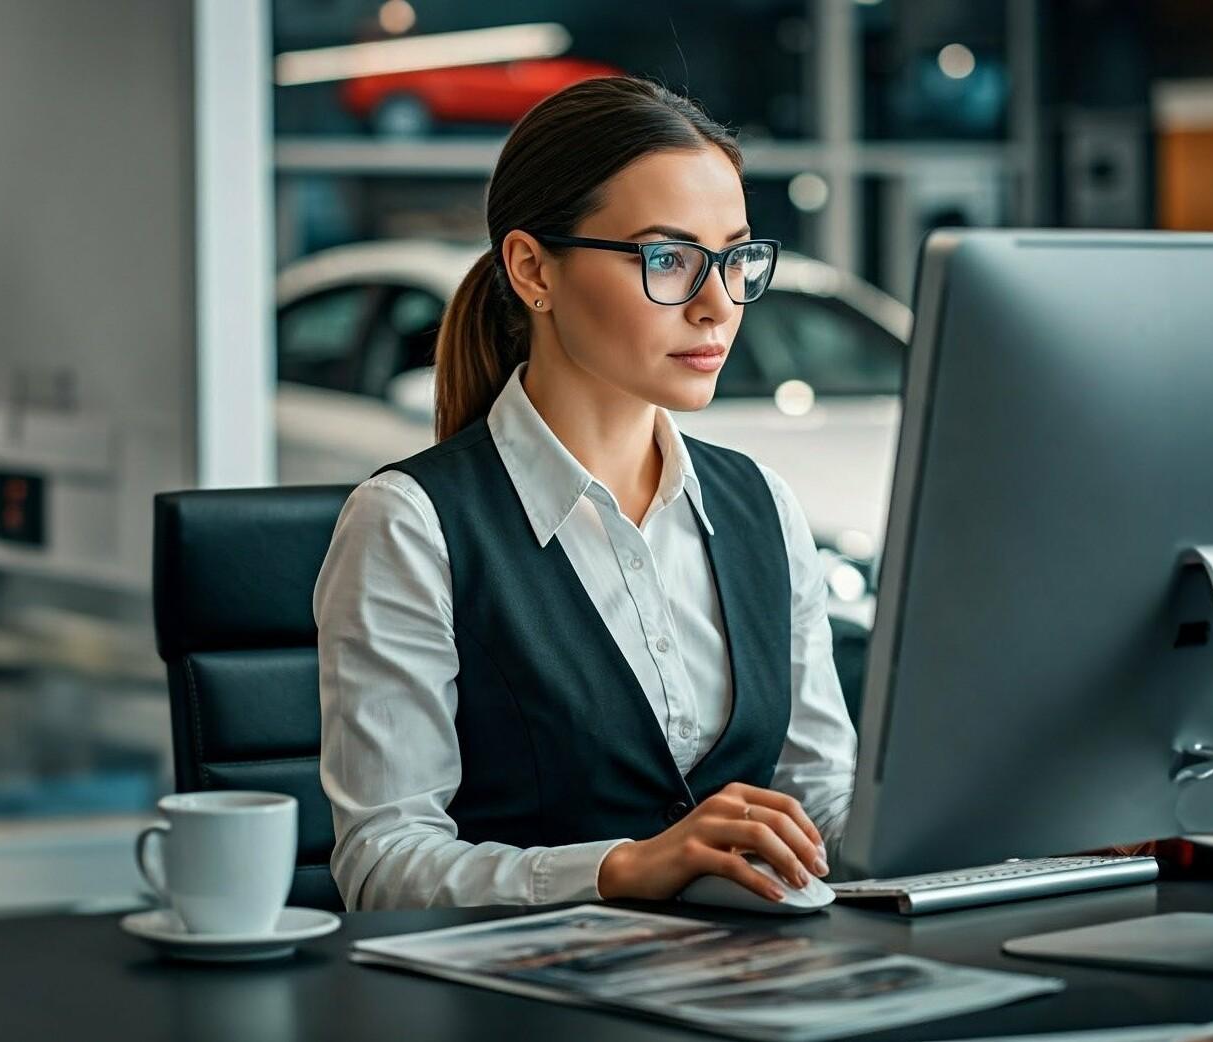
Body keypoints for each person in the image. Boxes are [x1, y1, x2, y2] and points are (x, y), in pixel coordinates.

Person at [313, 75, 855, 911]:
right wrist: (619, 868)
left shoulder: (761, 505)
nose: (717, 305)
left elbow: (823, 800)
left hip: (748, 987)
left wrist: (1022, 835)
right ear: (533, 268)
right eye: (668, 258)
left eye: (736, 257)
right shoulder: (411, 525)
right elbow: (383, 867)